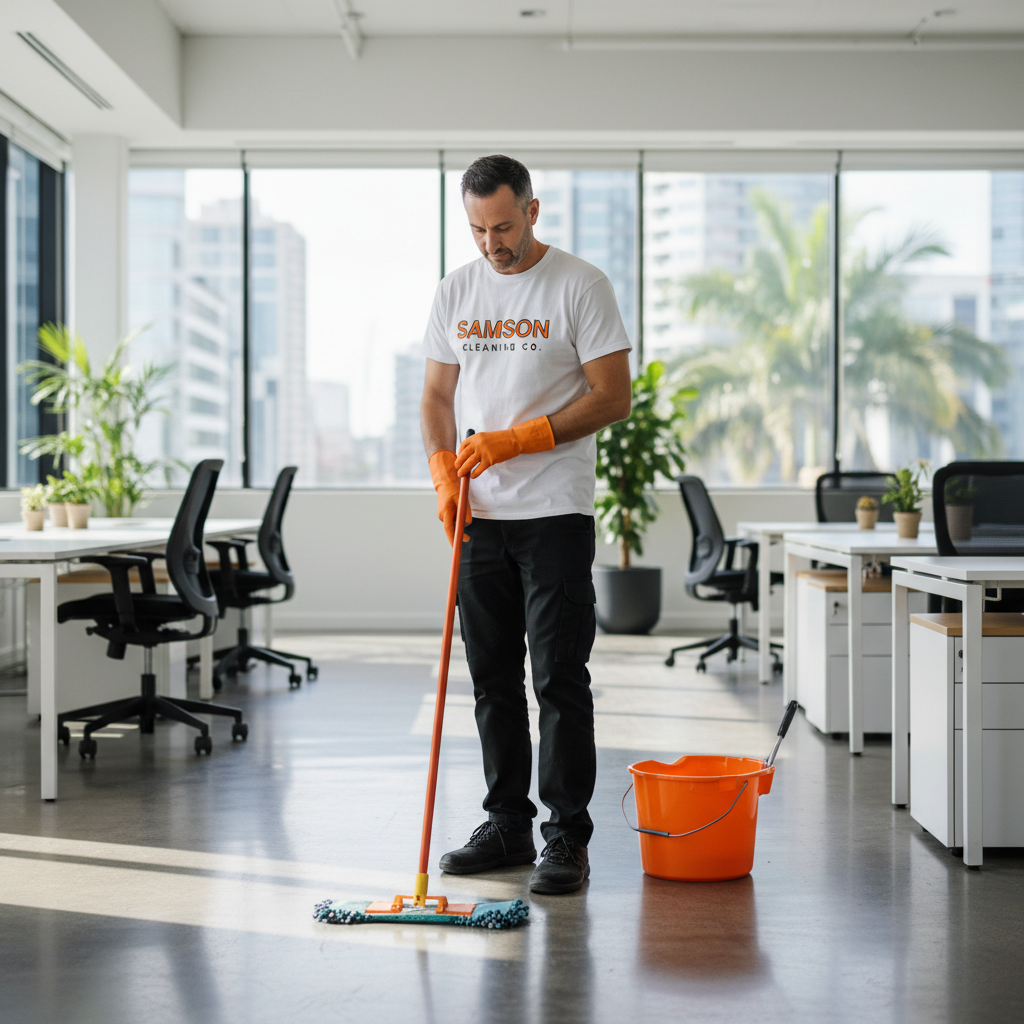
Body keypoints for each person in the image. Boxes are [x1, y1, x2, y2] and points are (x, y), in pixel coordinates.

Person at [420, 154, 632, 894]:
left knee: (558, 678)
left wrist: (518, 440)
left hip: (554, 514)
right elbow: (436, 398)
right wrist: (443, 475)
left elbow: (613, 397)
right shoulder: (456, 290)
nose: (492, 244)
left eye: (504, 227)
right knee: (492, 680)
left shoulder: (580, 284)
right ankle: (507, 823)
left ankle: (566, 836)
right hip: (480, 517)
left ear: (532, 212)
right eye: (478, 230)